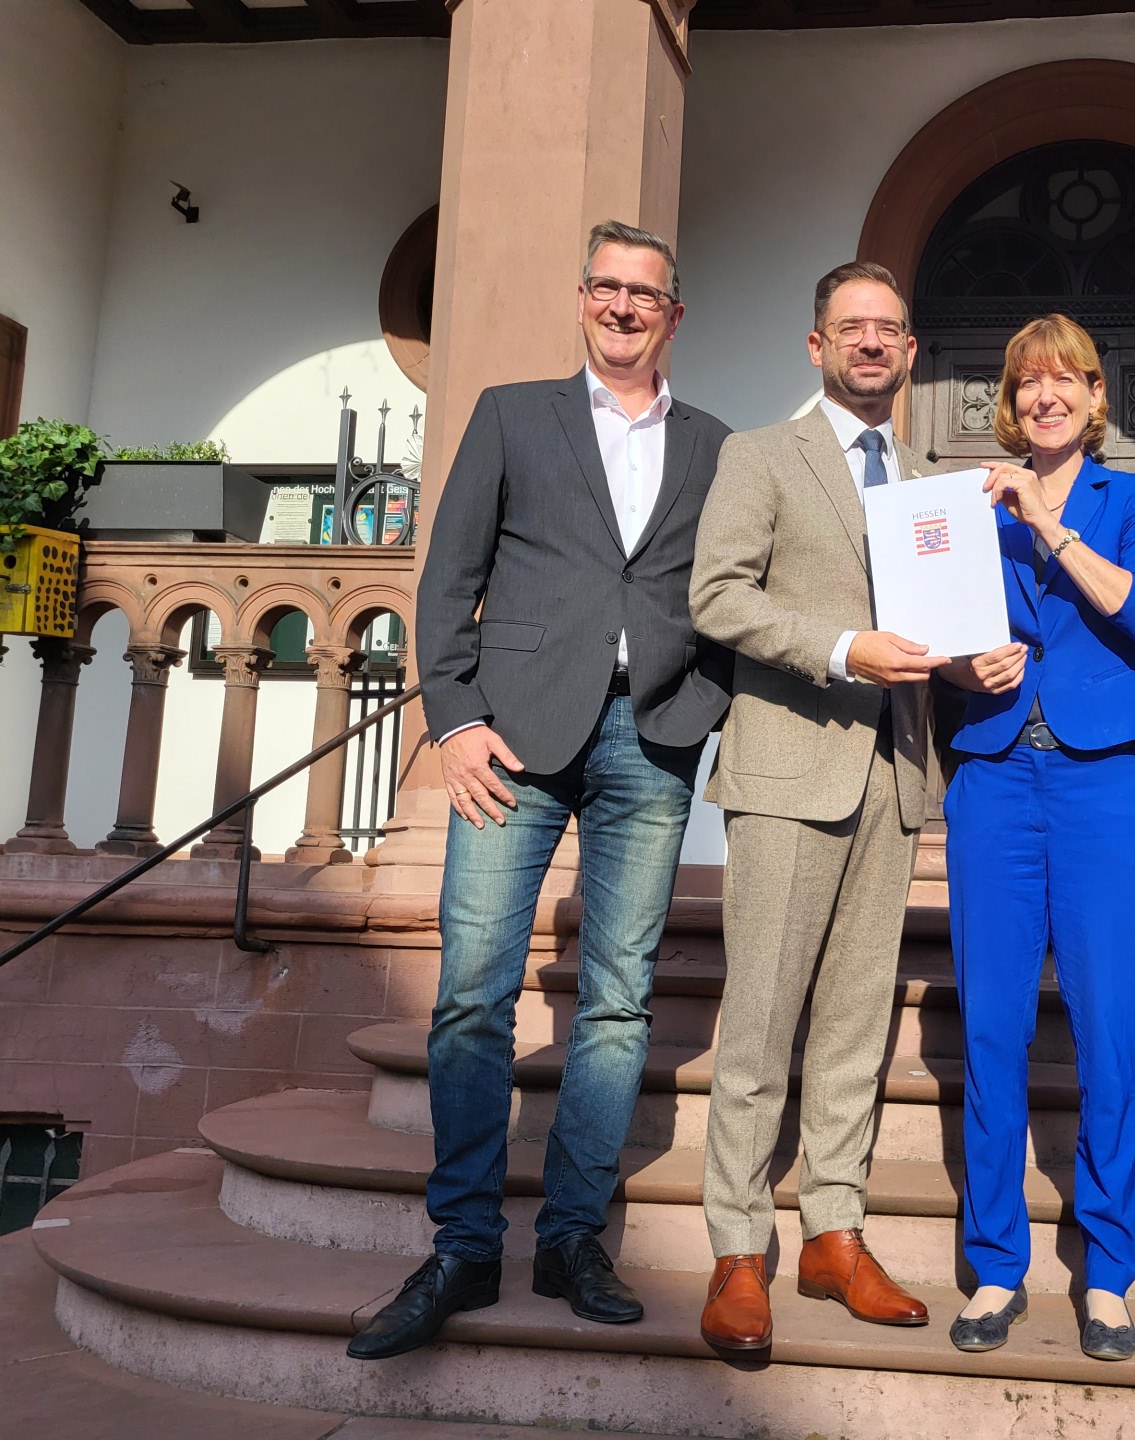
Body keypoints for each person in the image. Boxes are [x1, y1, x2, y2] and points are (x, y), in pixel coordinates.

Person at [347, 222, 733, 1361]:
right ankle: (464, 1245)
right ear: (581, 302)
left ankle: (571, 1239)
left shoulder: (713, 444)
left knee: (616, 1000)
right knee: (472, 991)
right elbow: (446, 577)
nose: (623, 307)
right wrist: (454, 722)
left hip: (650, 741)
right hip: (508, 743)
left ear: (675, 314)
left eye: (645, 294)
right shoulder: (516, 413)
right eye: (606, 289)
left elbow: (726, 589)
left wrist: (699, 709)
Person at [688, 261, 939, 1351]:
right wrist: (844, 649)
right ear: (817, 345)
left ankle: (836, 1232)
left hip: (895, 775)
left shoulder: (933, 478)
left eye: (888, 330)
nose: (871, 344)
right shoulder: (761, 455)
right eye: (852, 328)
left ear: (911, 351)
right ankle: (740, 1248)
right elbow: (717, 596)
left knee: (854, 1025)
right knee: (759, 1024)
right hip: (790, 772)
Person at [937, 315, 1135, 1362]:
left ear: (1093, 394)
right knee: (992, 1029)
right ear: (1010, 398)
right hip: (993, 777)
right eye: (1027, 383)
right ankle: (996, 1267)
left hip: (1102, 783)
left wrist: (1046, 517)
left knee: (1108, 1027)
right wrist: (957, 670)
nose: (1046, 397)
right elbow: (932, 626)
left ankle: (1109, 1274)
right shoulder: (964, 506)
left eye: (1064, 380)